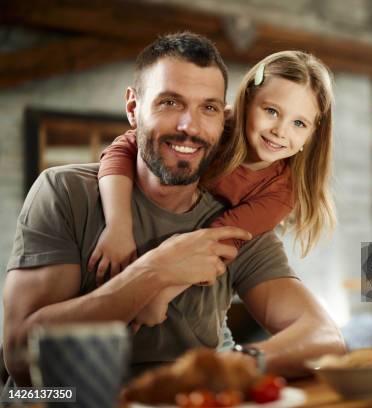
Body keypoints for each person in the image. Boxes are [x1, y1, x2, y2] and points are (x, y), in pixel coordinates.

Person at [2, 32, 345, 388]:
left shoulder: (249, 217)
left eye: (207, 107)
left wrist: (236, 363)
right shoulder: (65, 192)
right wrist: (154, 271)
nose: (190, 126)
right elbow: (21, 360)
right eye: (170, 103)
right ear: (133, 108)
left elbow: (324, 336)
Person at [89, 50, 336, 327]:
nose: (280, 130)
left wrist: (159, 295)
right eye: (271, 111)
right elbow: (125, 147)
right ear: (246, 101)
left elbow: (220, 239)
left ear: (312, 134)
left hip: (201, 297)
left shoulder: (282, 192)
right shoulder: (213, 129)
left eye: (299, 123)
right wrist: (118, 226)